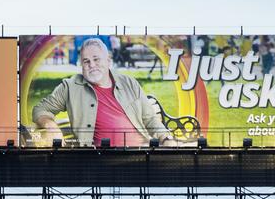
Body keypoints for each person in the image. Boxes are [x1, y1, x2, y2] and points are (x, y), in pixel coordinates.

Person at [31, 38, 173, 147]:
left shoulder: (129, 83)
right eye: (86, 61)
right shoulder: (70, 87)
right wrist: (51, 127)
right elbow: (40, 109)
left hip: (140, 153)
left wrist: (166, 138)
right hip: (100, 159)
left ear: (108, 61)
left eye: (96, 59)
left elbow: (150, 119)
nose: (91, 65)